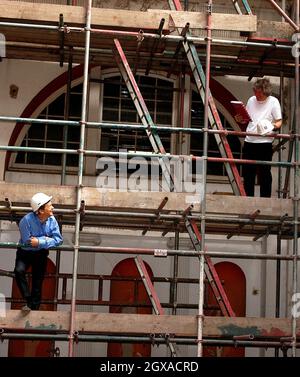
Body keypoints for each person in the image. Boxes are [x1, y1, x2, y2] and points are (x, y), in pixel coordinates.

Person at [14, 193, 63, 312]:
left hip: (40, 253)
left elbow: (58, 240)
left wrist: (40, 241)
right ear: (40, 210)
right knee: (19, 271)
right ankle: (28, 299)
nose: (52, 208)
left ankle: (33, 308)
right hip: (25, 252)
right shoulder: (26, 221)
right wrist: (46, 239)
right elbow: (28, 241)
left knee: (38, 279)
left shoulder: (52, 220)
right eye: (49, 206)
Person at [242, 78, 282, 197]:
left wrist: (271, 127)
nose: (256, 95)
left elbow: (279, 121)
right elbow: (247, 119)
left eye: (259, 92)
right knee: (248, 173)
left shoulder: (273, 101)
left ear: (266, 92)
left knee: (264, 173)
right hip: (249, 140)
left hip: (265, 142)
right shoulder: (251, 100)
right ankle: (248, 200)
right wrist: (240, 118)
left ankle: (265, 200)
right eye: (255, 91)